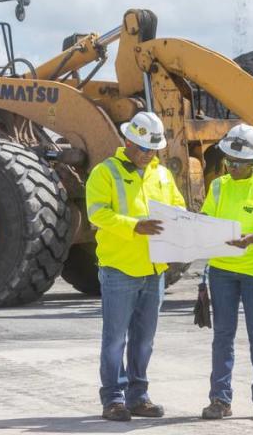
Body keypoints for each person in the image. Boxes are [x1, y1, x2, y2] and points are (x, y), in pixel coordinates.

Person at [85, 111, 186, 422]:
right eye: (143, 148)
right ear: (128, 141)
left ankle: (138, 396)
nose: (148, 154)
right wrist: (134, 226)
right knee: (115, 338)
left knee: (144, 339)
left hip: (154, 271)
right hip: (119, 269)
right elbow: (97, 213)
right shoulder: (105, 173)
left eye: (153, 149)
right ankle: (113, 399)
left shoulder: (163, 175)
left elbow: (178, 208)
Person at [200, 123, 253, 422]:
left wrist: (249, 239)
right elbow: (207, 217)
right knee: (223, 335)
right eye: (228, 161)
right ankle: (219, 400)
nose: (232, 167)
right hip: (222, 269)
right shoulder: (219, 185)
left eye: (239, 163)